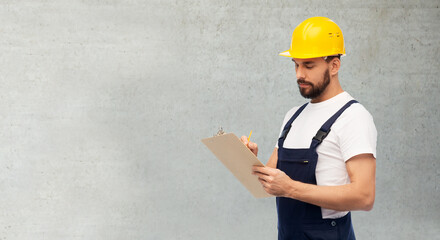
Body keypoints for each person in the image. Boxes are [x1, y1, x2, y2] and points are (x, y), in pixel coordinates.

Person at [241, 17, 377, 240]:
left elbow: (364, 197)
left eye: (308, 65)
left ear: (334, 65)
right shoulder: (293, 116)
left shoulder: (353, 117)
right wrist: (247, 160)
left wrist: (290, 188)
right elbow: (269, 185)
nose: (299, 74)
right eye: (296, 64)